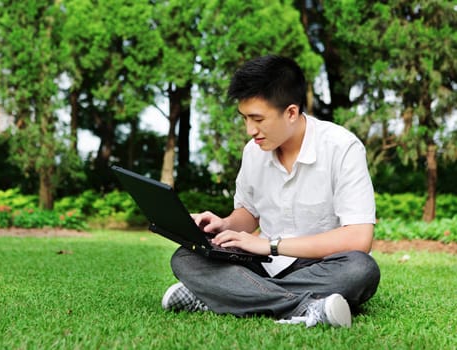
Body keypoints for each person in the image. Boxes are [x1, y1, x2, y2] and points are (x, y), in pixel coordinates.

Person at [161, 55, 380, 328]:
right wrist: (224, 224)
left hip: (320, 265)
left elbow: (359, 238)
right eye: (244, 118)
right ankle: (306, 307)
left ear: (290, 112)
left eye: (257, 119)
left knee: (361, 270)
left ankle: (223, 296)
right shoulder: (254, 151)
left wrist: (270, 245)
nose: (250, 130)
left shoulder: (342, 148)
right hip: (262, 263)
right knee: (185, 257)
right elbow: (249, 213)